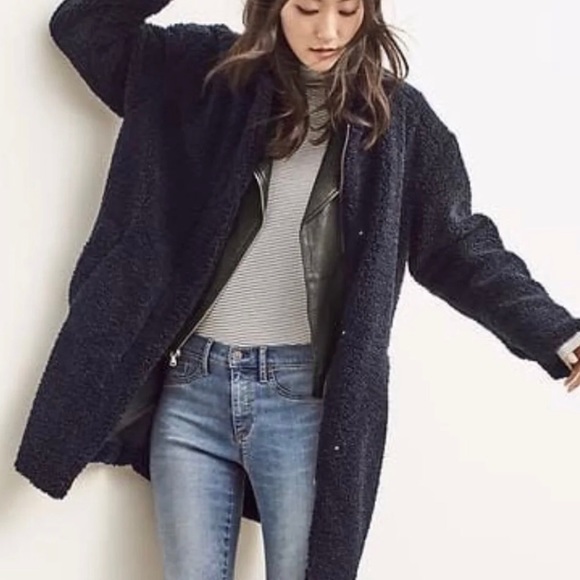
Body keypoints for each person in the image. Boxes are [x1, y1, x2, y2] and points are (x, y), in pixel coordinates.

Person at [14, 1, 580, 579]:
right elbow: (83, 28)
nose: (327, 30)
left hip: (308, 411)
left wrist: (558, 335)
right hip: (192, 396)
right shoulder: (204, 76)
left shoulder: (399, 124)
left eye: (347, 9)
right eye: (307, 8)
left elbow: (457, 246)